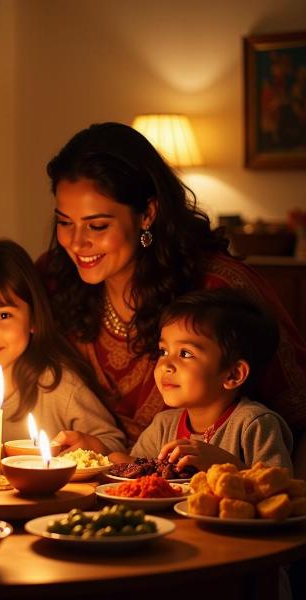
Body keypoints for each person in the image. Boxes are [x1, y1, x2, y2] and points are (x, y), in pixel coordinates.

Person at [39, 121, 306, 476]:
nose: (75, 242)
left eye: (97, 226)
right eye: (65, 222)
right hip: (114, 485)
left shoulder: (217, 290)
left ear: (147, 214)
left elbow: (297, 413)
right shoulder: (54, 280)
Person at [0, 240, 126, 454]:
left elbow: (113, 443)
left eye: (3, 315)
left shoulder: (57, 386)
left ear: (33, 320)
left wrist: (91, 448)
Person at [109, 288, 293, 472]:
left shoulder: (254, 424)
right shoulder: (164, 425)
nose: (166, 365)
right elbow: (138, 471)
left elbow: (280, 490)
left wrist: (226, 467)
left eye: (185, 353)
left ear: (233, 375)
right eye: (163, 351)